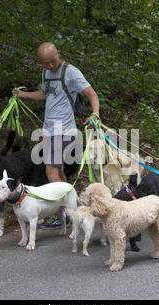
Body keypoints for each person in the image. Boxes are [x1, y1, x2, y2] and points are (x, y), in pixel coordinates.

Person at [14, 42, 100, 228]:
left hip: (64, 130)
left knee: (50, 171)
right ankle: (74, 212)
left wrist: (95, 115)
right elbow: (46, 94)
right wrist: (24, 95)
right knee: (59, 172)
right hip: (49, 130)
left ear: (58, 54)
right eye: (45, 63)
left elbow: (92, 94)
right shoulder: (46, 72)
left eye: (52, 62)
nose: (50, 66)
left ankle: (62, 215)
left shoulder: (71, 72)